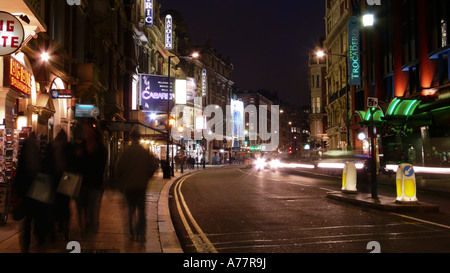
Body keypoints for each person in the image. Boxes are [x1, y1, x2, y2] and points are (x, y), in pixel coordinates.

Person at [115, 128, 158, 242]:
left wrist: (120, 184)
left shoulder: (125, 151)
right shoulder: (144, 151)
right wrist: (146, 177)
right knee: (141, 209)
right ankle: (141, 231)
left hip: (129, 186)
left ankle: (131, 229)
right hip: (141, 185)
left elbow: (118, 168)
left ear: (130, 137)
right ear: (139, 138)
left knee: (131, 208)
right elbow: (153, 166)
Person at [15, 132, 49, 252]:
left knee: (28, 220)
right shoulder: (39, 152)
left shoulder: (26, 155)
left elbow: (20, 173)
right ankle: (36, 240)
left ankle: (26, 245)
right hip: (35, 190)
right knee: (33, 218)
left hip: (29, 191)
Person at [74, 124, 107, 235]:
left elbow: (101, 166)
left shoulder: (100, 148)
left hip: (95, 186)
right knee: (80, 211)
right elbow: (75, 165)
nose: (87, 134)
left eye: (89, 132)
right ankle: (83, 227)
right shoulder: (81, 146)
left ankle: (92, 231)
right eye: (85, 132)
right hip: (81, 186)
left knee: (92, 212)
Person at [44, 129, 74, 241]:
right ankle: (62, 229)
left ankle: (58, 229)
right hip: (63, 178)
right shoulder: (67, 147)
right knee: (63, 205)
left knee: (57, 205)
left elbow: (46, 163)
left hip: (58, 179)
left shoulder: (51, 146)